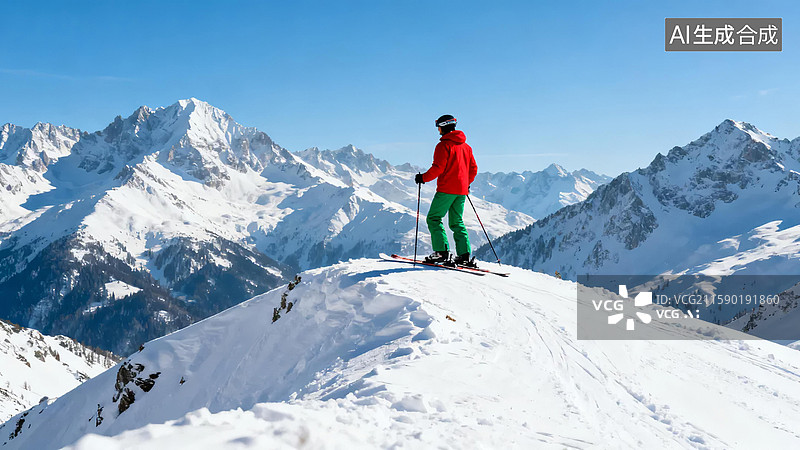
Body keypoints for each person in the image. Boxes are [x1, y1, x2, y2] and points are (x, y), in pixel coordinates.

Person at [414, 114, 478, 267]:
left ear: (444, 126)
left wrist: (423, 178)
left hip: (446, 189)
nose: (438, 130)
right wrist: (466, 183)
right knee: (457, 222)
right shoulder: (466, 147)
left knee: (434, 218)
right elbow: (473, 169)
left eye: (438, 127)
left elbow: (438, 168)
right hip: (461, 191)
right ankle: (464, 256)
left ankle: (441, 253)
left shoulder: (443, 145)